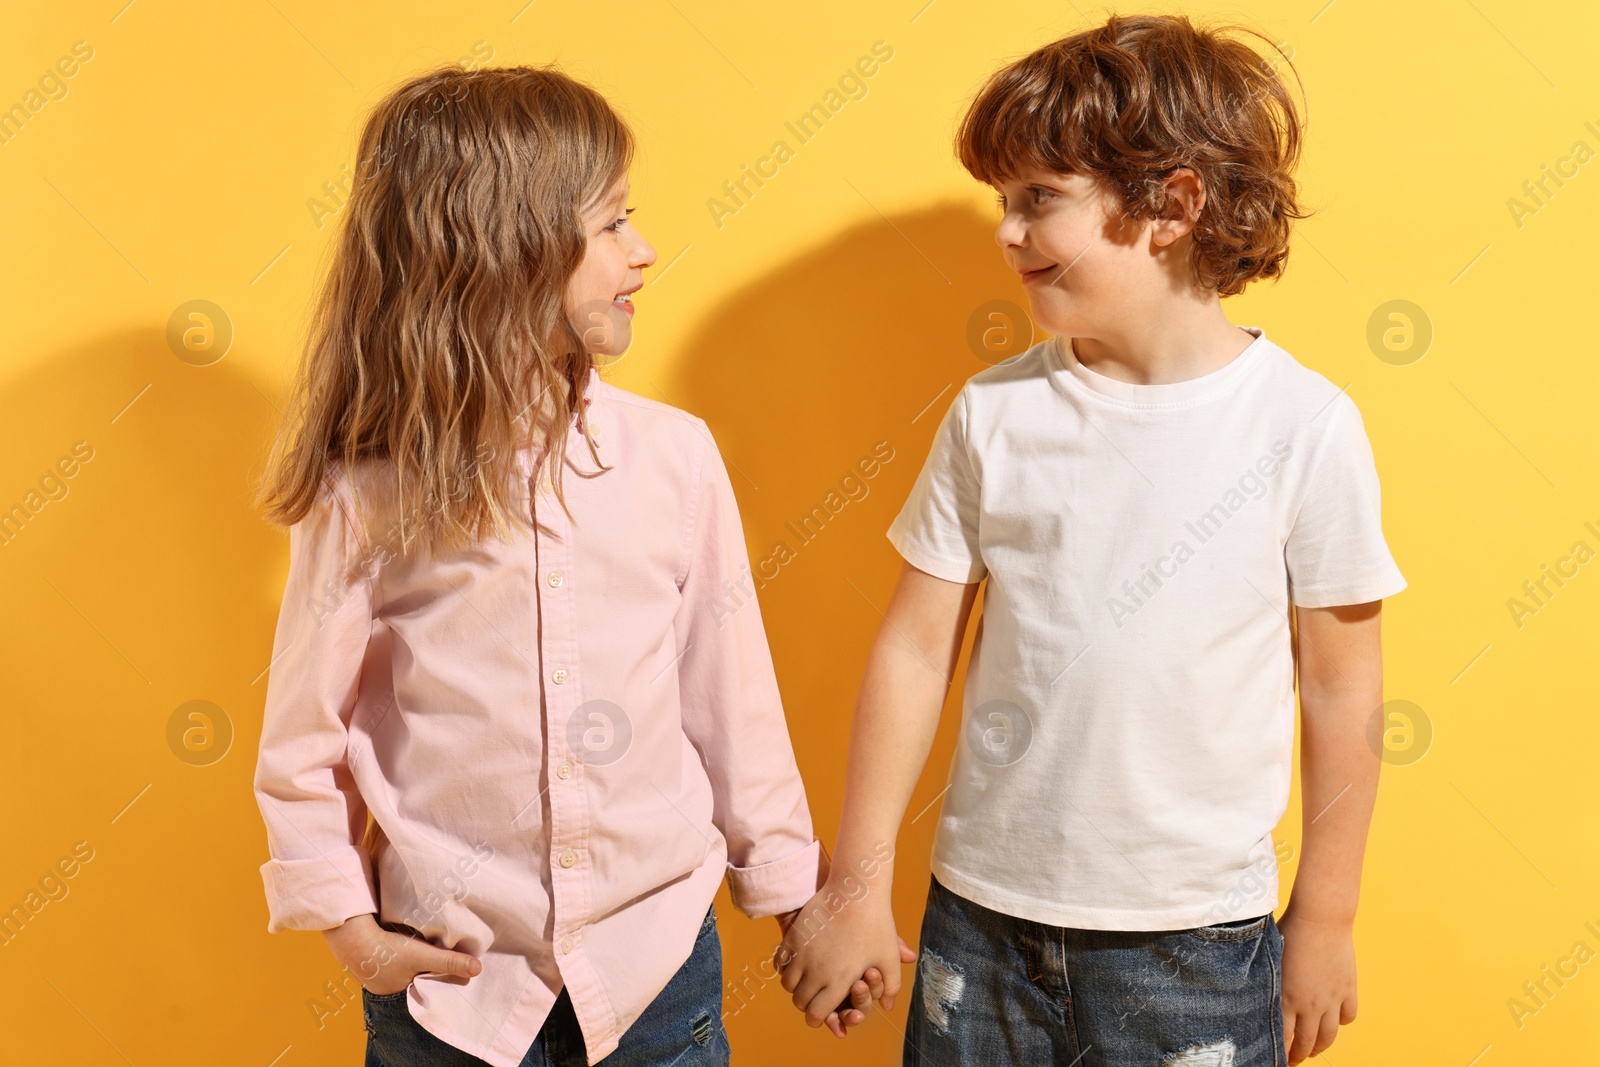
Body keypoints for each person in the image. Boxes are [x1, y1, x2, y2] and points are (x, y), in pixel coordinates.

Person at [778, 14, 1406, 1066]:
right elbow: (914, 648)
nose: (1006, 232)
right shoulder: (992, 414)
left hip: (1196, 946)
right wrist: (854, 883)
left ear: (1172, 205)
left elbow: (1343, 689)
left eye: (1038, 200)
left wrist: (1327, 918)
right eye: (1002, 202)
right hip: (979, 927)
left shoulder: (1304, 427)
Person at [253, 65, 828, 1067]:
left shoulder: (673, 454)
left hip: (658, 967)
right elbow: (304, 739)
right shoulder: (366, 492)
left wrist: (790, 898)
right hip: (454, 987)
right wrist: (351, 928)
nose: (643, 251)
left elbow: (728, 696)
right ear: (500, 252)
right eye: (611, 224)